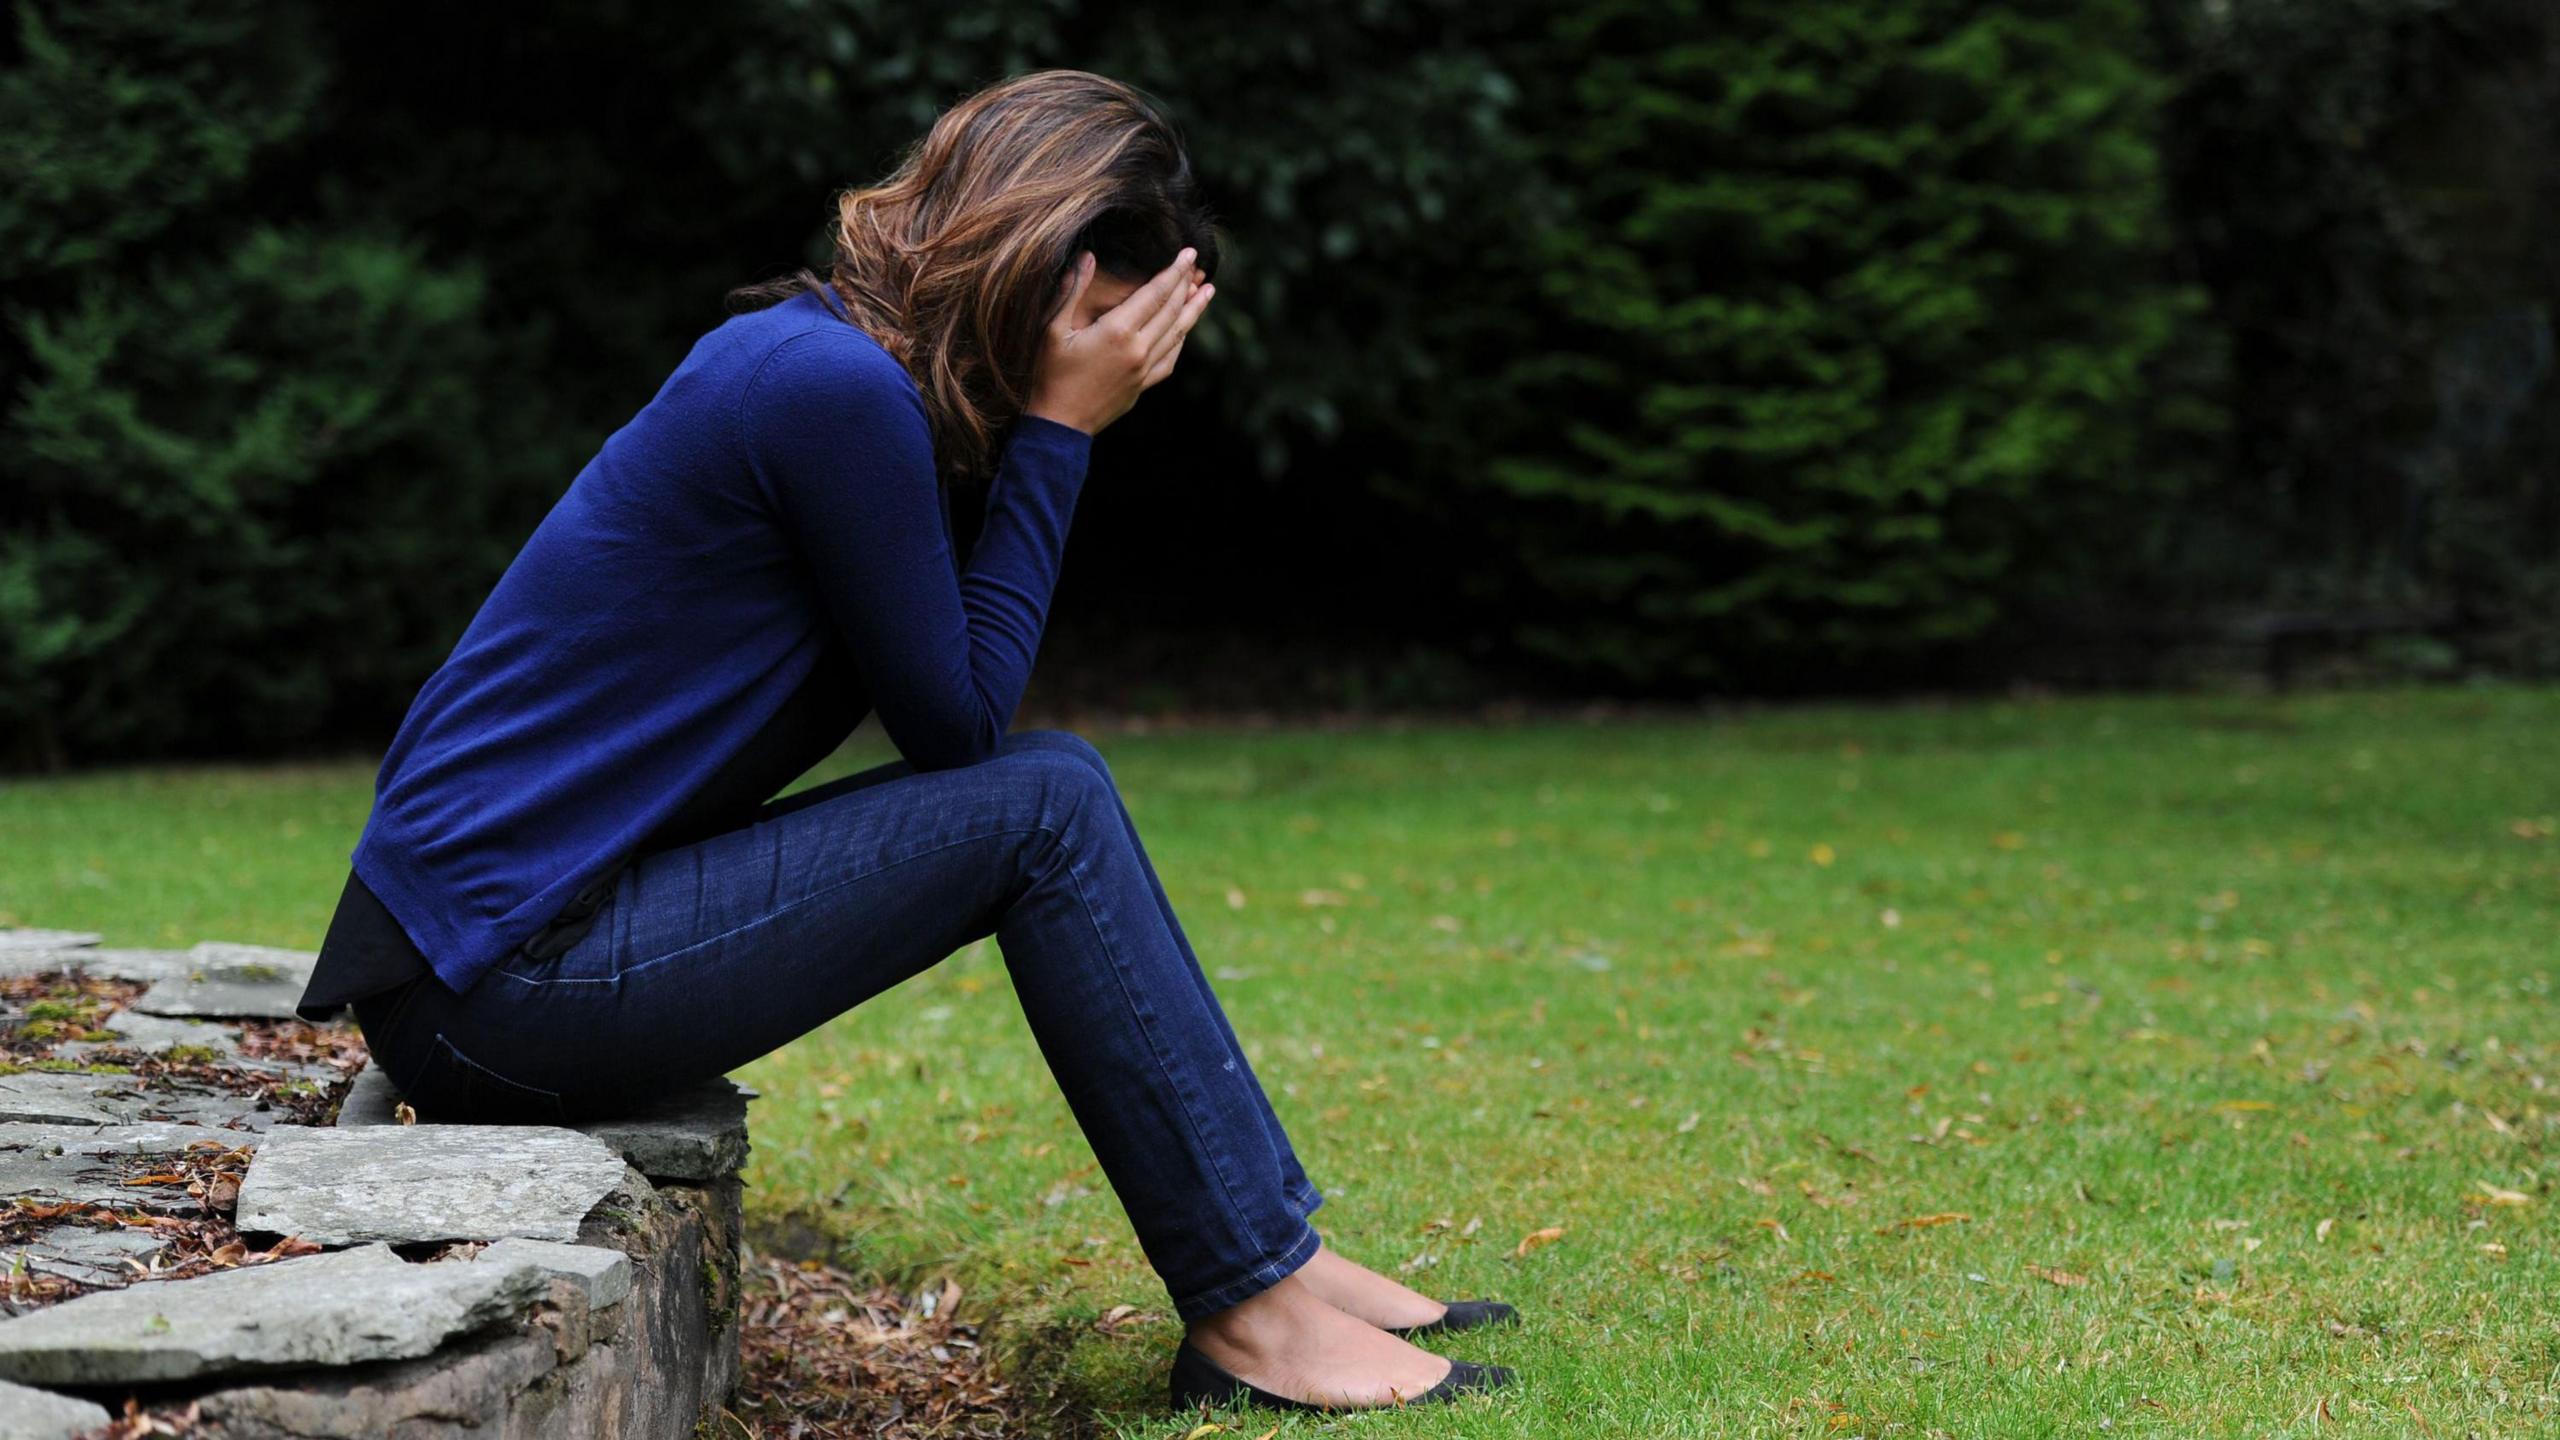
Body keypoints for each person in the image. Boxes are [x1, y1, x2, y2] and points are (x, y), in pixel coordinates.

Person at [295, 69, 1517, 1414]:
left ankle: (1273, 1261)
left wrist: (1045, 419)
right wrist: (1058, 430)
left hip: (508, 950)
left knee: (1054, 791)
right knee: (1046, 804)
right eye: (1107, 323)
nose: (1120, 368)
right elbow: (957, 724)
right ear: (1032, 270)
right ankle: (1256, 1310)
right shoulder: (830, 390)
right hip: (496, 984)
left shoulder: (833, 370)